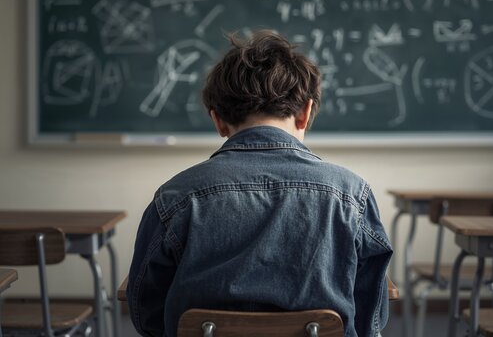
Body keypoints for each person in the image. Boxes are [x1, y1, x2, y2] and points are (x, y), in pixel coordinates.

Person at [127, 30, 393, 337]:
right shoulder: (351, 194)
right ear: (306, 113)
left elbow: (145, 309)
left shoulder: (175, 196)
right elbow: (372, 314)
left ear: (218, 121)